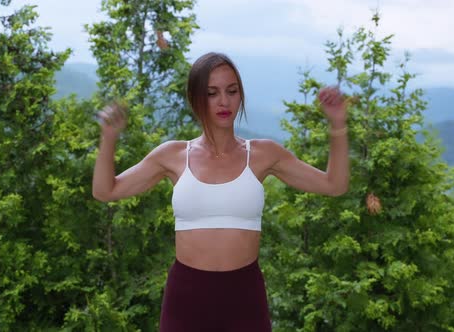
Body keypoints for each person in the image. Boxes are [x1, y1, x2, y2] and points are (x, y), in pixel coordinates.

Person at [92, 52, 349, 332]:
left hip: (244, 298)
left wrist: (337, 124)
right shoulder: (173, 155)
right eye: (212, 93)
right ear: (195, 99)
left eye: (232, 91)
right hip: (186, 298)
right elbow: (106, 191)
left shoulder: (264, 154)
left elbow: (333, 185)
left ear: (241, 95)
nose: (224, 101)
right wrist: (109, 138)